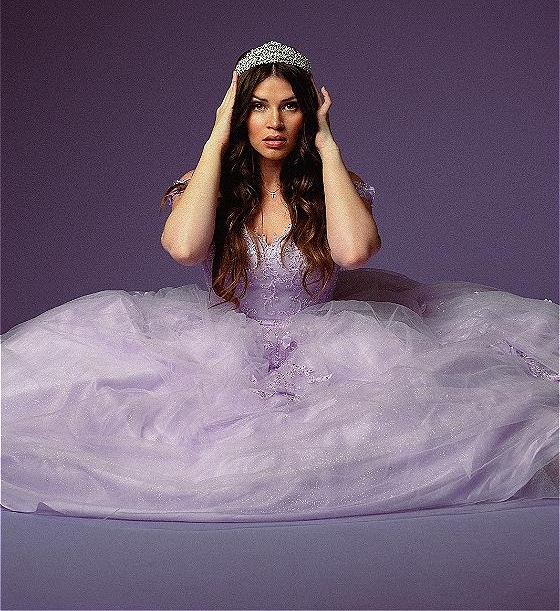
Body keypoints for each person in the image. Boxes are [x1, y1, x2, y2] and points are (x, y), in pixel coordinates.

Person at [1, 40, 558, 523]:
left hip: (330, 344)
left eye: (290, 107)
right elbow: (183, 247)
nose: (274, 122)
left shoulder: (331, 184)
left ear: (307, 114)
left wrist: (329, 146)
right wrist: (215, 140)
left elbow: (355, 251)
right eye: (259, 107)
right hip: (219, 346)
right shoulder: (208, 182)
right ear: (241, 114)